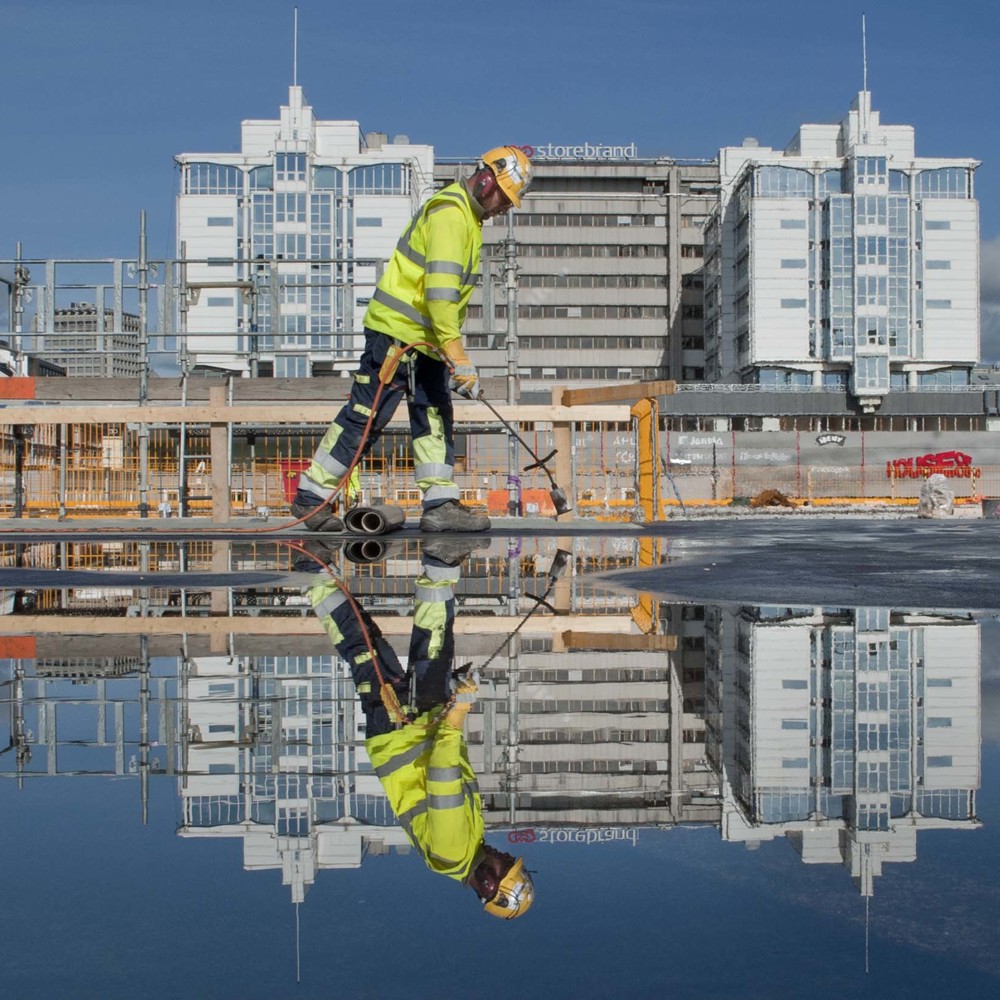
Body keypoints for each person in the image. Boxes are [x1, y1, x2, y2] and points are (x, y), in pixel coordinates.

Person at [291, 146, 533, 534]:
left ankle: (440, 504)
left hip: (426, 342)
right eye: (504, 198)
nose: (505, 208)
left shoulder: (468, 219)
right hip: (396, 337)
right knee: (365, 419)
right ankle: (311, 497)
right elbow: (440, 294)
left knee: (435, 418)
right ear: (486, 181)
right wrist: (459, 355)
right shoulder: (451, 215)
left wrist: (445, 349)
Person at [305, 538, 535, 918]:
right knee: (418, 643)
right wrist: (451, 702)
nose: (508, 856)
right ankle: (433, 565)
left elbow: (442, 771)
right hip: (419, 725)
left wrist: (459, 711)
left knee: (366, 647)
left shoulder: (453, 849)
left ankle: (319, 573)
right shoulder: (468, 844)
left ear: (488, 884)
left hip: (401, 730)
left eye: (505, 868)